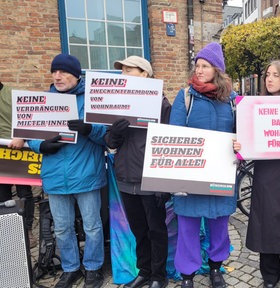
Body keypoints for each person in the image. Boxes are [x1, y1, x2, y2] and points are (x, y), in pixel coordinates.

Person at [27, 54, 107, 288]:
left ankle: (93, 268)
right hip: (55, 175)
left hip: (86, 173)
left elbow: (106, 136)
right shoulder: (44, 101)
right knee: (62, 227)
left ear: (77, 75)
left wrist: (90, 129)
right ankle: (70, 268)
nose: (57, 76)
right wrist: (39, 145)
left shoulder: (93, 99)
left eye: (63, 72)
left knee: (92, 225)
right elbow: (30, 133)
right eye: (54, 72)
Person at [233, 60, 280, 288]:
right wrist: (239, 145)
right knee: (267, 225)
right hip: (267, 174)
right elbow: (245, 139)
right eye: (267, 74)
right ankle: (269, 276)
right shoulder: (254, 107)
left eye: (276, 75)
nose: (270, 79)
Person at [169, 42, 237, 288]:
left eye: (205, 66)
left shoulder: (232, 100)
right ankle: (187, 274)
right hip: (191, 174)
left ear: (216, 70)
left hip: (221, 173)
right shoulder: (185, 97)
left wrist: (240, 146)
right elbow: (174, 135)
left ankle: (216, 267)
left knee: (219, 224)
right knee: (187, 226)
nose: (198, 70)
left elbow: (241, 133)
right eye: (197, 65)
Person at [105, 56, 172, 288]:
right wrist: (114, 133)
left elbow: (168, 143)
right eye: (121, 70)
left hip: (149, 178)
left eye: (128, 70)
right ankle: (144, 271)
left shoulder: (162, 104)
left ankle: (159, 276)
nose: (123, 74)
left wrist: (163, 183)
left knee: (156, 230)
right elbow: (109, 143)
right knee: (138, 230)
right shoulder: (117, 103)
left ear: (144, 74)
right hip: (125, 176)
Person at [0, 80, 37, 249]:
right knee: (2, 194)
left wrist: (22, 136)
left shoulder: (13, 94)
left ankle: (27, 230)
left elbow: (29, 119)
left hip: (17, 151)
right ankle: (8, 230)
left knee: (24, 193)